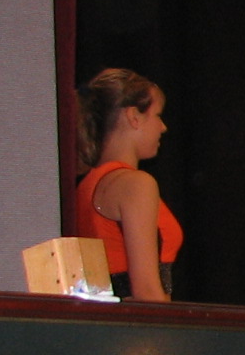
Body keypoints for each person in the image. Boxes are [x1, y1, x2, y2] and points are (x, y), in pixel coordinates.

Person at [74, 68, 182, 302]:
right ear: (134, 116)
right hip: (136, 322)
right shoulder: (136, 184)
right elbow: (147, 291)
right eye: (157, 115)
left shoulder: (86, 185)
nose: (163, 127)